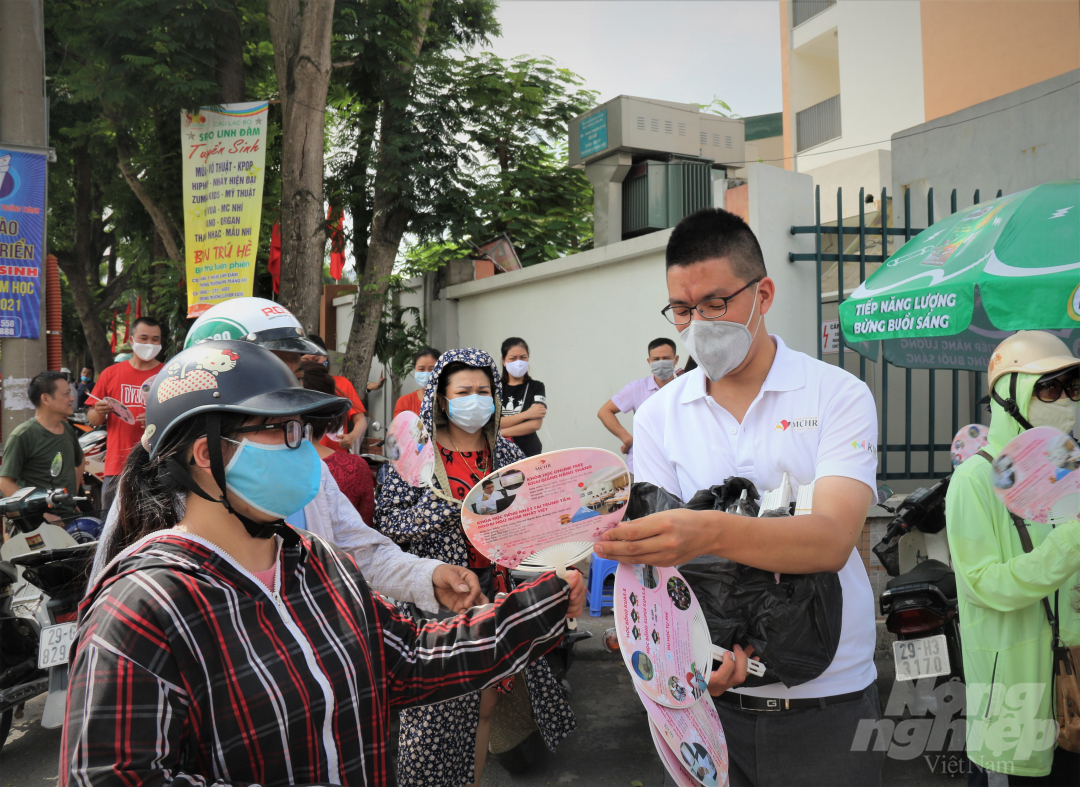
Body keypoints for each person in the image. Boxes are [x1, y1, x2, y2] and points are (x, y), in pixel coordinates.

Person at [60, 339, 585, 787]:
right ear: (206, 454)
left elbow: (414, 656)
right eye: (282, 433)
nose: (306, 452)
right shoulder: (141, 610)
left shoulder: (318, 563)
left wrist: (543, 601)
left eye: (304, 432)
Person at [594, 208, 885, 786]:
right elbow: (667, 572)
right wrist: (684, 651)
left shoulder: (836, 395)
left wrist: (707, 531)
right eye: (682, 309)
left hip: (828, 701)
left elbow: (830, 540)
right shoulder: (657, 417)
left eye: (715, 303)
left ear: (764, 293)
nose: (697, 323)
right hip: (708, 706)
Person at [89, 296, 484, 617]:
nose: (289, 389)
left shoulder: (299, 468)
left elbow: (357, 549)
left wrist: (427, 576)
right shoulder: (149, 577)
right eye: (273, 371)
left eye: (293, 374)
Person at [375, 348, 576, 787]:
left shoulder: (503, 450)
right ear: (442, 399)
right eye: (464, 391)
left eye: (484, 391)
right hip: (435, 596)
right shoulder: (412, 450)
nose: (475, 399)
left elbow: (525, 519)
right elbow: (388, 522)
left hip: (495, 591)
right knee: (432, 719)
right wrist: (454, 510)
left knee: (485, 702)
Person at [945, 331, 1080, 786]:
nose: (1063, 399)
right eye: (1049, 387)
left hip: (1074, 685)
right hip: (1016, 699)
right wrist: (1073, 540)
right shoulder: (974, 479)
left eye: (1072, 388)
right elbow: (985, 584)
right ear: (1009, 394)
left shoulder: (1070, 467)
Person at [87, 316, 164, 512]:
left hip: (156, 466)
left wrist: (156, 419)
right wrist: (99, 410)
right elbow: (93, 419)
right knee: (111, 527)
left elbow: (180, 419)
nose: (149, 343)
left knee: (152, 526)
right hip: (117, 467)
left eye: (155, 339)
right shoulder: (110, 374)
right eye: (144, 338)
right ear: (131, 341)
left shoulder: (167, 374)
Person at [301, 360, 376, 525]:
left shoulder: (266, 465)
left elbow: (360, 419)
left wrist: (351, 436)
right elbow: (363, 530)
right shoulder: (356, 468)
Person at [0, 372, 84, 517]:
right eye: (66, 394)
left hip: (66, 519)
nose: (72, 398)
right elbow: (5, 482)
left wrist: (71, 498)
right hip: (35, 527)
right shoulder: (23, 435)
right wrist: (39, 515)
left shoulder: (67, 429)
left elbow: (80, 461)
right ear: (46, 399)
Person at [597, 338, 680, 474]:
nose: (661, 363)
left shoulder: (684, 388)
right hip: (642, 464)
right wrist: (627, 438)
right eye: (656, 359)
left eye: (666, 358)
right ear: (649, 361)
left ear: (675, 360)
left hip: (676, 462)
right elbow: (605, 412)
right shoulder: (637, 388)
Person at [499, 337, 546, 457]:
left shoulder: (536, 386)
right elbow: (491, 423)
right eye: (513, 358)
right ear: (504, 361)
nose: (518, 362)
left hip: (529, 452)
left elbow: (535, 424)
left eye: (523, 357)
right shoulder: (494, 388)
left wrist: (501, 432)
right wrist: (527, 414)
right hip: (500, 452)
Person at [394, 347, 441, 419]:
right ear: (415, 369)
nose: (426, 374)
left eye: (432, 369)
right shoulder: (404, 402)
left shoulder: (448, 402)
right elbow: (399, 428)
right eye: (421, 369)